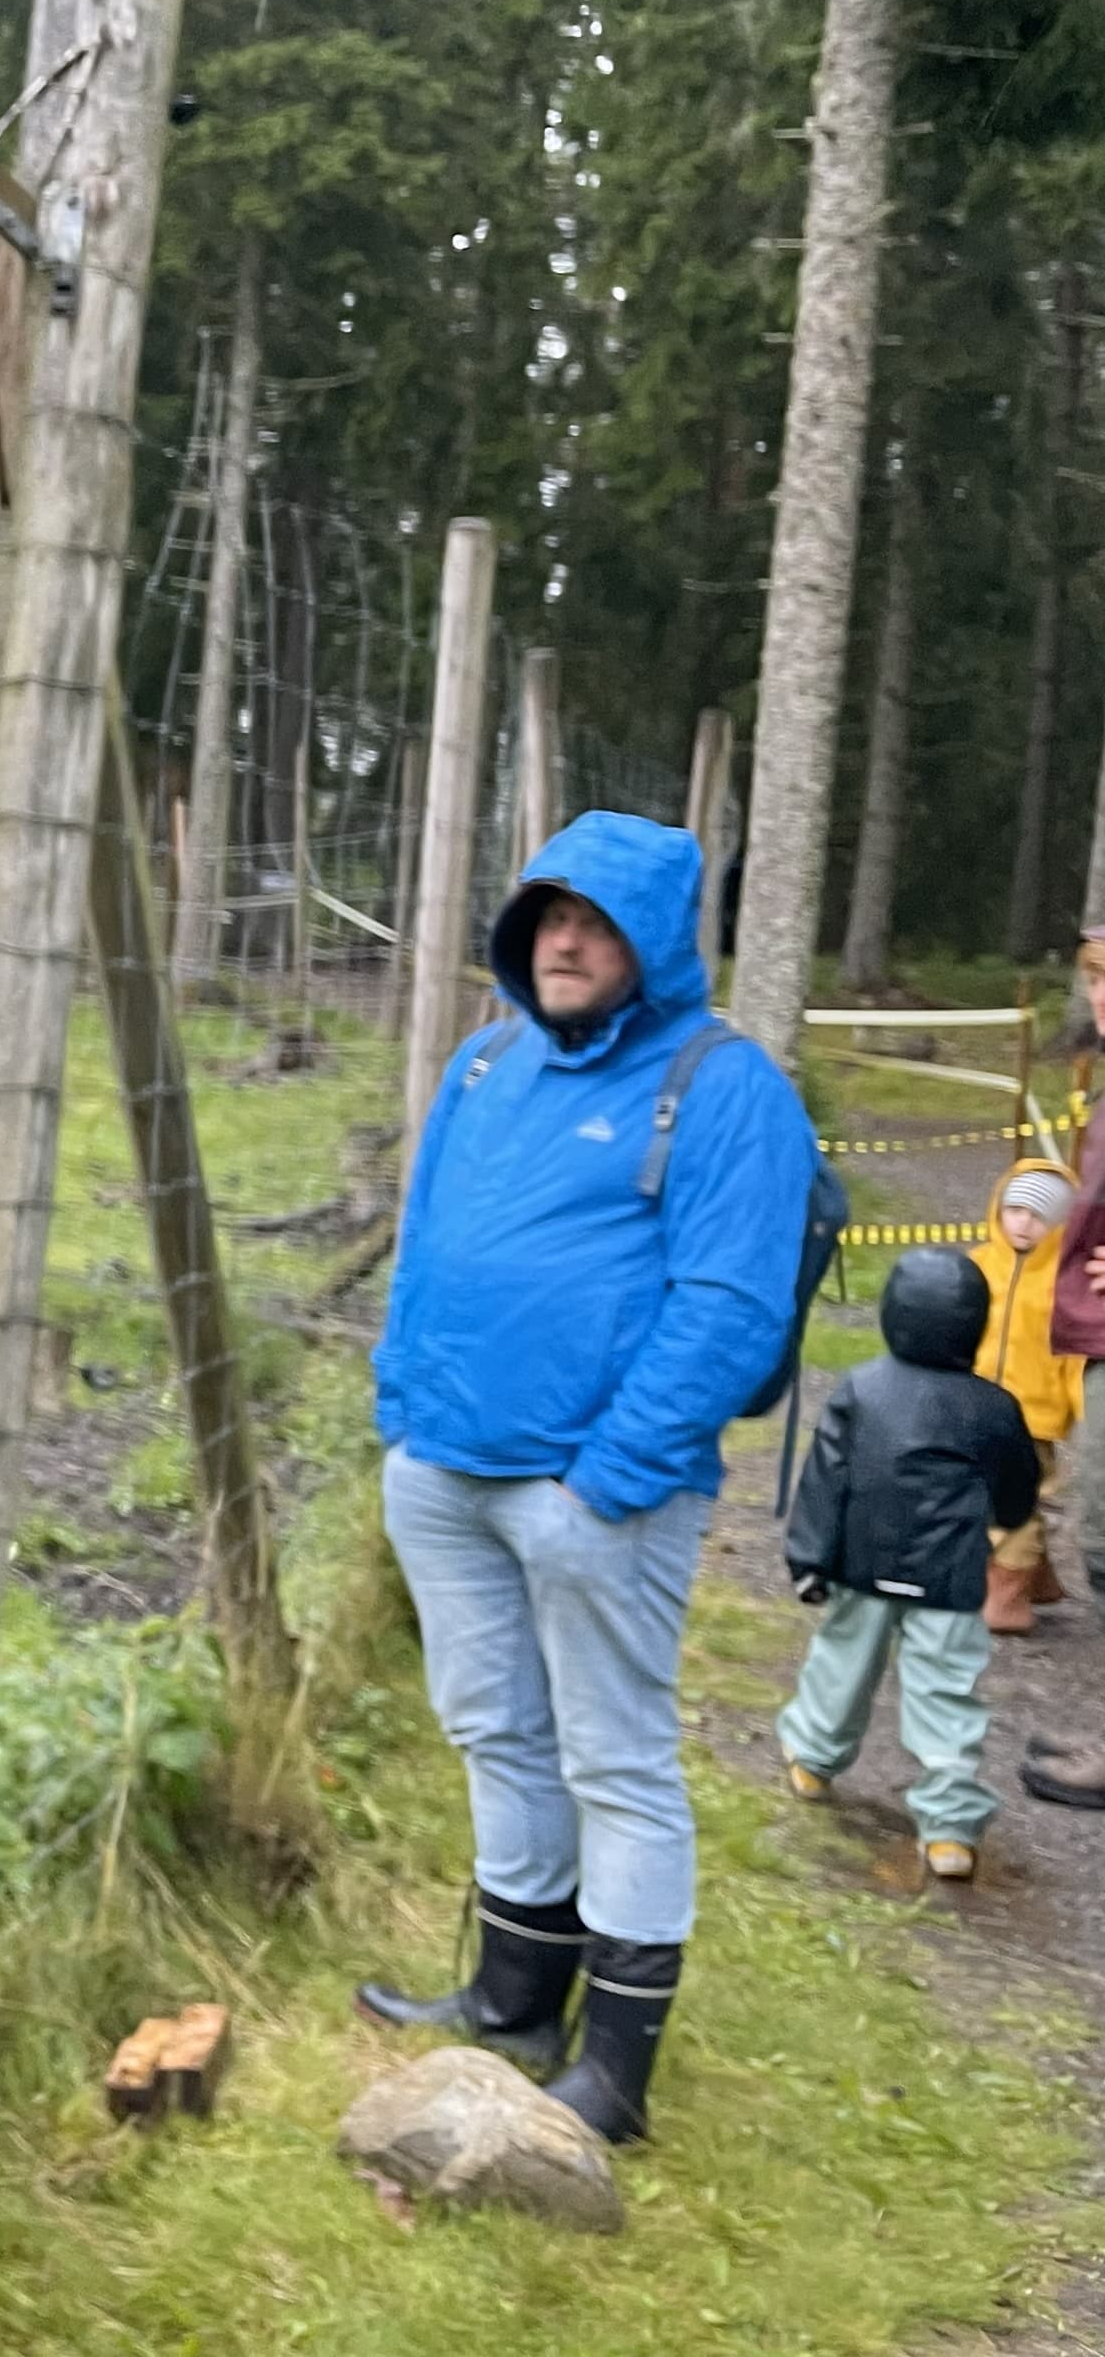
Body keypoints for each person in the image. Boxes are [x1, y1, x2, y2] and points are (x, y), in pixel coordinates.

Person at [356, 812, 821, 2146]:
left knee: (611, 1757)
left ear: (657, 944)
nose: (567, 939)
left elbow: (727, 1309)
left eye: (601, 921)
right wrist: (405, 1417)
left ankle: (612, 2077)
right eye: (552, 913)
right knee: (497, 1729)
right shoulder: (487, 1063)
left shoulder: (725, 1087)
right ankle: (513, 2006)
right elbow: (428, 1238)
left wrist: (609, 1477)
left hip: (595, 1493)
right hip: (445, 1471)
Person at [776, 1248, 1039, 1879]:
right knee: (945, 1692)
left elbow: (825, 1478)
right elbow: (1017, 1485)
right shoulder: (993, 1406)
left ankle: (813, 1760)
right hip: (947, 1574)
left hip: (863, 1563)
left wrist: (809, 1559)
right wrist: (1003, 1516)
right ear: (975, 1323)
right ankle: (948, 1829)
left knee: (842, 1664)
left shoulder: (861, 1388)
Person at [970, 1161, 1082, 1634]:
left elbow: (1078, 1359)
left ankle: (1007, 1600)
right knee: (982, 1496)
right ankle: (1031, 1579)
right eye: (1014, 1209)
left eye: (1038, 1214)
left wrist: (1083, 1412)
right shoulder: (977, 1268)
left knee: (1021, 1502)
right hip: (974, 1408)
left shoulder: (1066, 1285)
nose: (1023, 1222)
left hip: (1032, 1419)